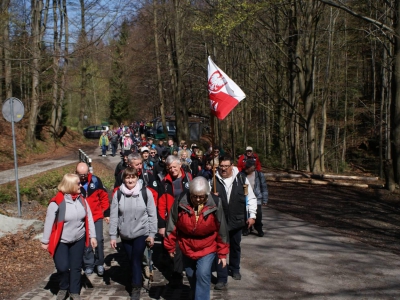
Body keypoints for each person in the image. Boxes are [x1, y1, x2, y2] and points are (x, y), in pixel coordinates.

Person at [164, 177, 229, 300]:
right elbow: (171, 225)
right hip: (186, 245)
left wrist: (222, 253)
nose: (198, 200)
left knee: (203, 274)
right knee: (191, 274)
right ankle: (195, 295)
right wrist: (170, 246)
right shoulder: (180, 202)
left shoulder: (215, 203)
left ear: (207, 195)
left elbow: (222, 230)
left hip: (207, 245)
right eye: (195, 196)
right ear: (190, 194)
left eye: (201, 197)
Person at [41, 174, 97, 300]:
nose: (81, 185)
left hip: (79, 238)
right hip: (61, 240)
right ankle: (63, 287)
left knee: (76, 266)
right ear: (70, 185)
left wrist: (92, 236)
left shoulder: (81, 199)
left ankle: (74, 291)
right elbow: (49, 223)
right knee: (63, 267)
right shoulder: (56, 203)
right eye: (78, 183)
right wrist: (45, 241)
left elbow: (89, 218)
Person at [109, 167, 157, 300]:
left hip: (142, 232)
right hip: (125, 233)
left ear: (137, 178)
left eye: (133, 177)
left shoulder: (145, 193)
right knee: (131, 260)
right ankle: (138, 276)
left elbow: (152, 215)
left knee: (136, 258)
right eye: (127, 177)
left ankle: (136, 287)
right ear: (123, 179)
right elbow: (114, 216)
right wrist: (113, 235)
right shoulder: (118, 194)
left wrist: (152, 234)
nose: (130, 180)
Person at [212, 155, 257, 290]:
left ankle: (235, 268)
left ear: (232, 166)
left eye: (226, 166)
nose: (224, 169)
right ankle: (222, 277)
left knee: (235, 246)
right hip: (220, 221)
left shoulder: (242, 179)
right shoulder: (213, 181)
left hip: (237, 219)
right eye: (221, 166)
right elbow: (206, 200)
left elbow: (250, 198)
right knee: (220, 248)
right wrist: (212, 197)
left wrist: (252, 216)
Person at [158, 155, 192, 287]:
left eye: (174, 167)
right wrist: (161, 224)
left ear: (180, 166)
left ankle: (189, 268)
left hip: (188, 216)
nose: (172, 170)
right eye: (169, 167)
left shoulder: (189, 178)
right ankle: (177, 273)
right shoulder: (164, 182)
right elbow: (161, 205)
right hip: (172, 218)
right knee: (175, 246)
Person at [76, 162, 110, 276]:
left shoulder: (95, 181)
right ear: (76, 173)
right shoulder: (74, 183)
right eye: (81, 175)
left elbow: (104, 196)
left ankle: (100, 262)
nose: (83, 177)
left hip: (96, 216)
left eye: (85, 174)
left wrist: (106, 213)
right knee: (87, 241)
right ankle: (88, 264)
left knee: (99, 239)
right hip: (82, 218)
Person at [240, 160, 268, 237]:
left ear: (253, 167)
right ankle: (246, 228)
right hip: (245, 197)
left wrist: (265, 199)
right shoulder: (241, 175)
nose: (246, 168)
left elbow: (264, 187)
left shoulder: (259, 175)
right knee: (245, 214)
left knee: (258, 214)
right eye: (245, 167)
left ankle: (259, 229)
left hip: (257, 198)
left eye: (248, 167)